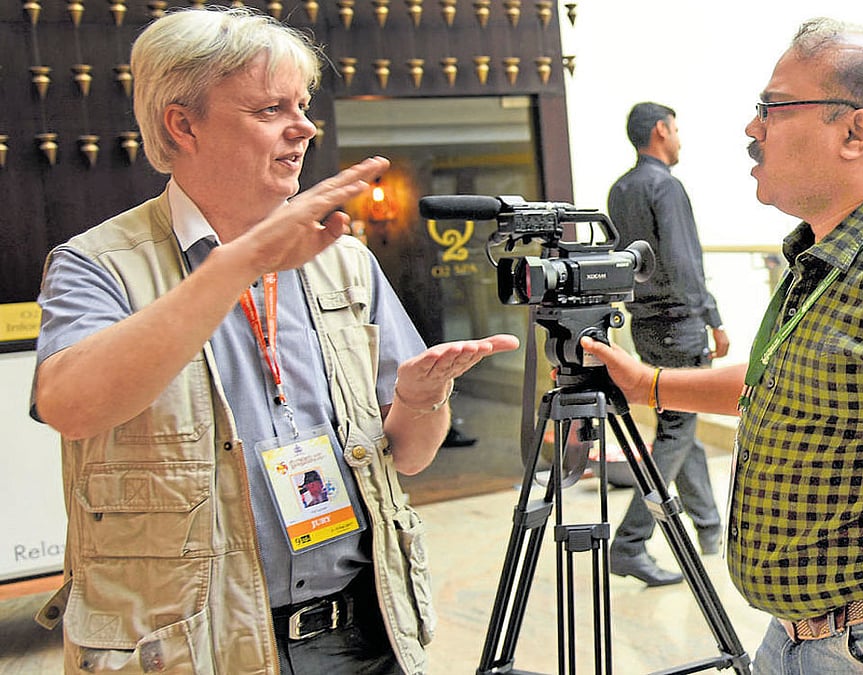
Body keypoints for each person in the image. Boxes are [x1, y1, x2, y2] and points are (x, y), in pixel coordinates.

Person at [29, 7, 518, 674]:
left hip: (361, 633)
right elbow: (70, 404)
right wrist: (240, 262)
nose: (304, 127)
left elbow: (406, 456)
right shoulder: (99, 263)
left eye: (303, 104)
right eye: (269, 109)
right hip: (190, 650)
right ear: (183, 123)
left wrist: (422, 398)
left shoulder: (341, 259)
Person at [583, 17, 863, 674]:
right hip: (796, 637)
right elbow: (785, 381)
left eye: (772, 108)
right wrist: (647, 384)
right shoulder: (823, 253)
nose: (752, 129)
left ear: (856, 132)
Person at [605, 102, 730, 586]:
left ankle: (709, 528)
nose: (679, 138)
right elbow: (683, 262)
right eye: (676, 129)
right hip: (680, 325)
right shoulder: (666, 186)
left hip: (645, 327)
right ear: (660, 131)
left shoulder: (620, 189)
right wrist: (713, 318)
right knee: (677, 432)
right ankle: (630, 543)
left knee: (681, 424)